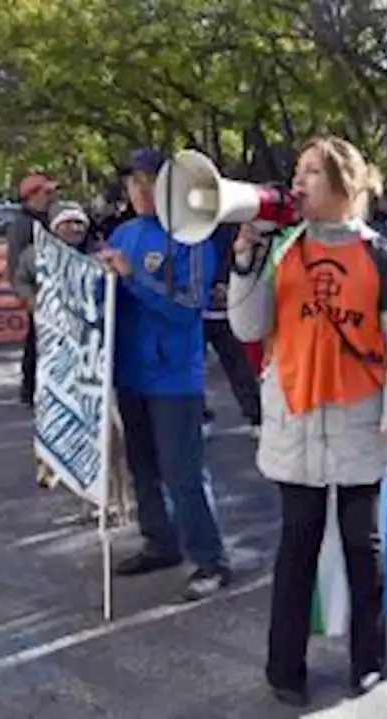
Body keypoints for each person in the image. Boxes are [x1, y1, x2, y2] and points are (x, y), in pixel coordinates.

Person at [226, 136, 387, 706]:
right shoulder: (281, 247)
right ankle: (284, 668)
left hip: (360, 417)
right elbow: (247, 328)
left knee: (364, 546)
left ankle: (369, 658)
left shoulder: (383, 255)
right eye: (299, 170)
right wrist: (245, 260)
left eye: (313, 171)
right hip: (294, 416)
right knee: (296, 547)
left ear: (343, 185)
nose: (300, 181)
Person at [94, 148, 231, 601]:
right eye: (134, 181)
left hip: (174, 377)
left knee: (182, 472)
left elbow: (187, 307)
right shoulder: (124, 232)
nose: (140, 189)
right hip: (130, 372)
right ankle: (160, 540)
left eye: (150, 181)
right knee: (142, 468)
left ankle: (210, 559)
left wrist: (132, 278)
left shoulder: (192, 239)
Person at [201, 224, 262, 439]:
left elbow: (240, 258)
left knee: (238, 365)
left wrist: (226, 283)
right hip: (196, 310)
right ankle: (201, 417)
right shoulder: (187, 227)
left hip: (226, 309)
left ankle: (256, 416)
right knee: (193, 369)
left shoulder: (230, 226)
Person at [7, 172, 59, 405]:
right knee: (36, 340)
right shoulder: (23, 225)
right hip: (37, 293)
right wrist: (26, 295)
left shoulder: (46, 219)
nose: (52, 197)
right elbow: (16, 263)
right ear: (32, 196)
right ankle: (29, 389)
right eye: (46, 192)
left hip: (51, 290)